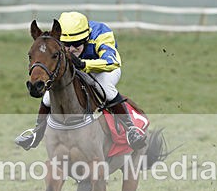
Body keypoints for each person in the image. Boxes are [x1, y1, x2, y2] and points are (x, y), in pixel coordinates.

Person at [16, 11, 146, 150]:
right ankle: (36, 133)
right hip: (75, 68)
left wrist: (84, 65)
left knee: (105, 87)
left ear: (86, 39)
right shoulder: (58, 39)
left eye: (77, 44)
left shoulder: (101, 33)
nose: (71, 49)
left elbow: (111, 62)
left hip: (104, 68)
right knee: (48, 96)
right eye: (67, 44)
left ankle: (131, 129)